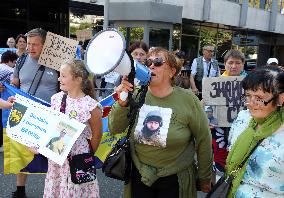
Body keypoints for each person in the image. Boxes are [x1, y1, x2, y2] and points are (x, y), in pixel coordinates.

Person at [109, 47, 213, 197]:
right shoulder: (137, 93)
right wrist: (123, 101)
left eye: (157, 62)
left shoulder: (188, 100)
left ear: (172, 71)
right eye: (148, 62)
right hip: (140, 175)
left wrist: (204, 177)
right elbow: (114, 128)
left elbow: (204, 139)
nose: (151, 65)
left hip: (175, 178)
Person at [2, 28, 59, 198]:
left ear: (45, 45)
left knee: (54, 153)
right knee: (22, 152)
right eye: (28, 44)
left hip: (51, 115)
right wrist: (5, 87)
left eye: (35, 44)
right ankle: (20, 191)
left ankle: (55, 191)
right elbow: (15, 83)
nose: (30, 48)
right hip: (26, 114)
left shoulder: (57, 62)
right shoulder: (21, 61)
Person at [43, 59, 102, 197]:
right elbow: (51, 127)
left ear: (78, 79)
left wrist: (85, 156)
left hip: (78, 160)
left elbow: (97, 135)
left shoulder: (91, 106)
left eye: (63, 76)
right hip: (57, 159)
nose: (59, 78)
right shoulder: (56, 99)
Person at [225, 66, 284, 197]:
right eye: (248, 96)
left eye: (259, 98)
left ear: (280, 99)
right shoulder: (243, 118)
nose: (250, 104)